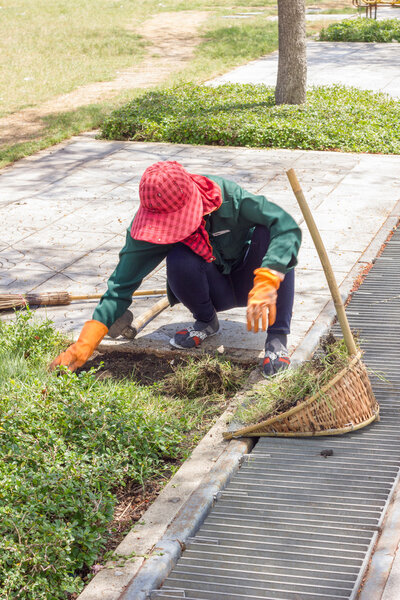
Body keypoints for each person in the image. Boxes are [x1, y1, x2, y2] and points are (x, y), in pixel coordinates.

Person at [50, 161, 301, 378]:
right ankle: (206, 322)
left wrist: (268, 277)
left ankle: (277, 337)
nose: (169, 228)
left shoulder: (227, 197)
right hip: (216, 290)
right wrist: (87, 341)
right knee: (180, 256)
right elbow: (120, 286)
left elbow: (287, 225)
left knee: (273, 237)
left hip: (253, 282)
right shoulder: (150, 223)